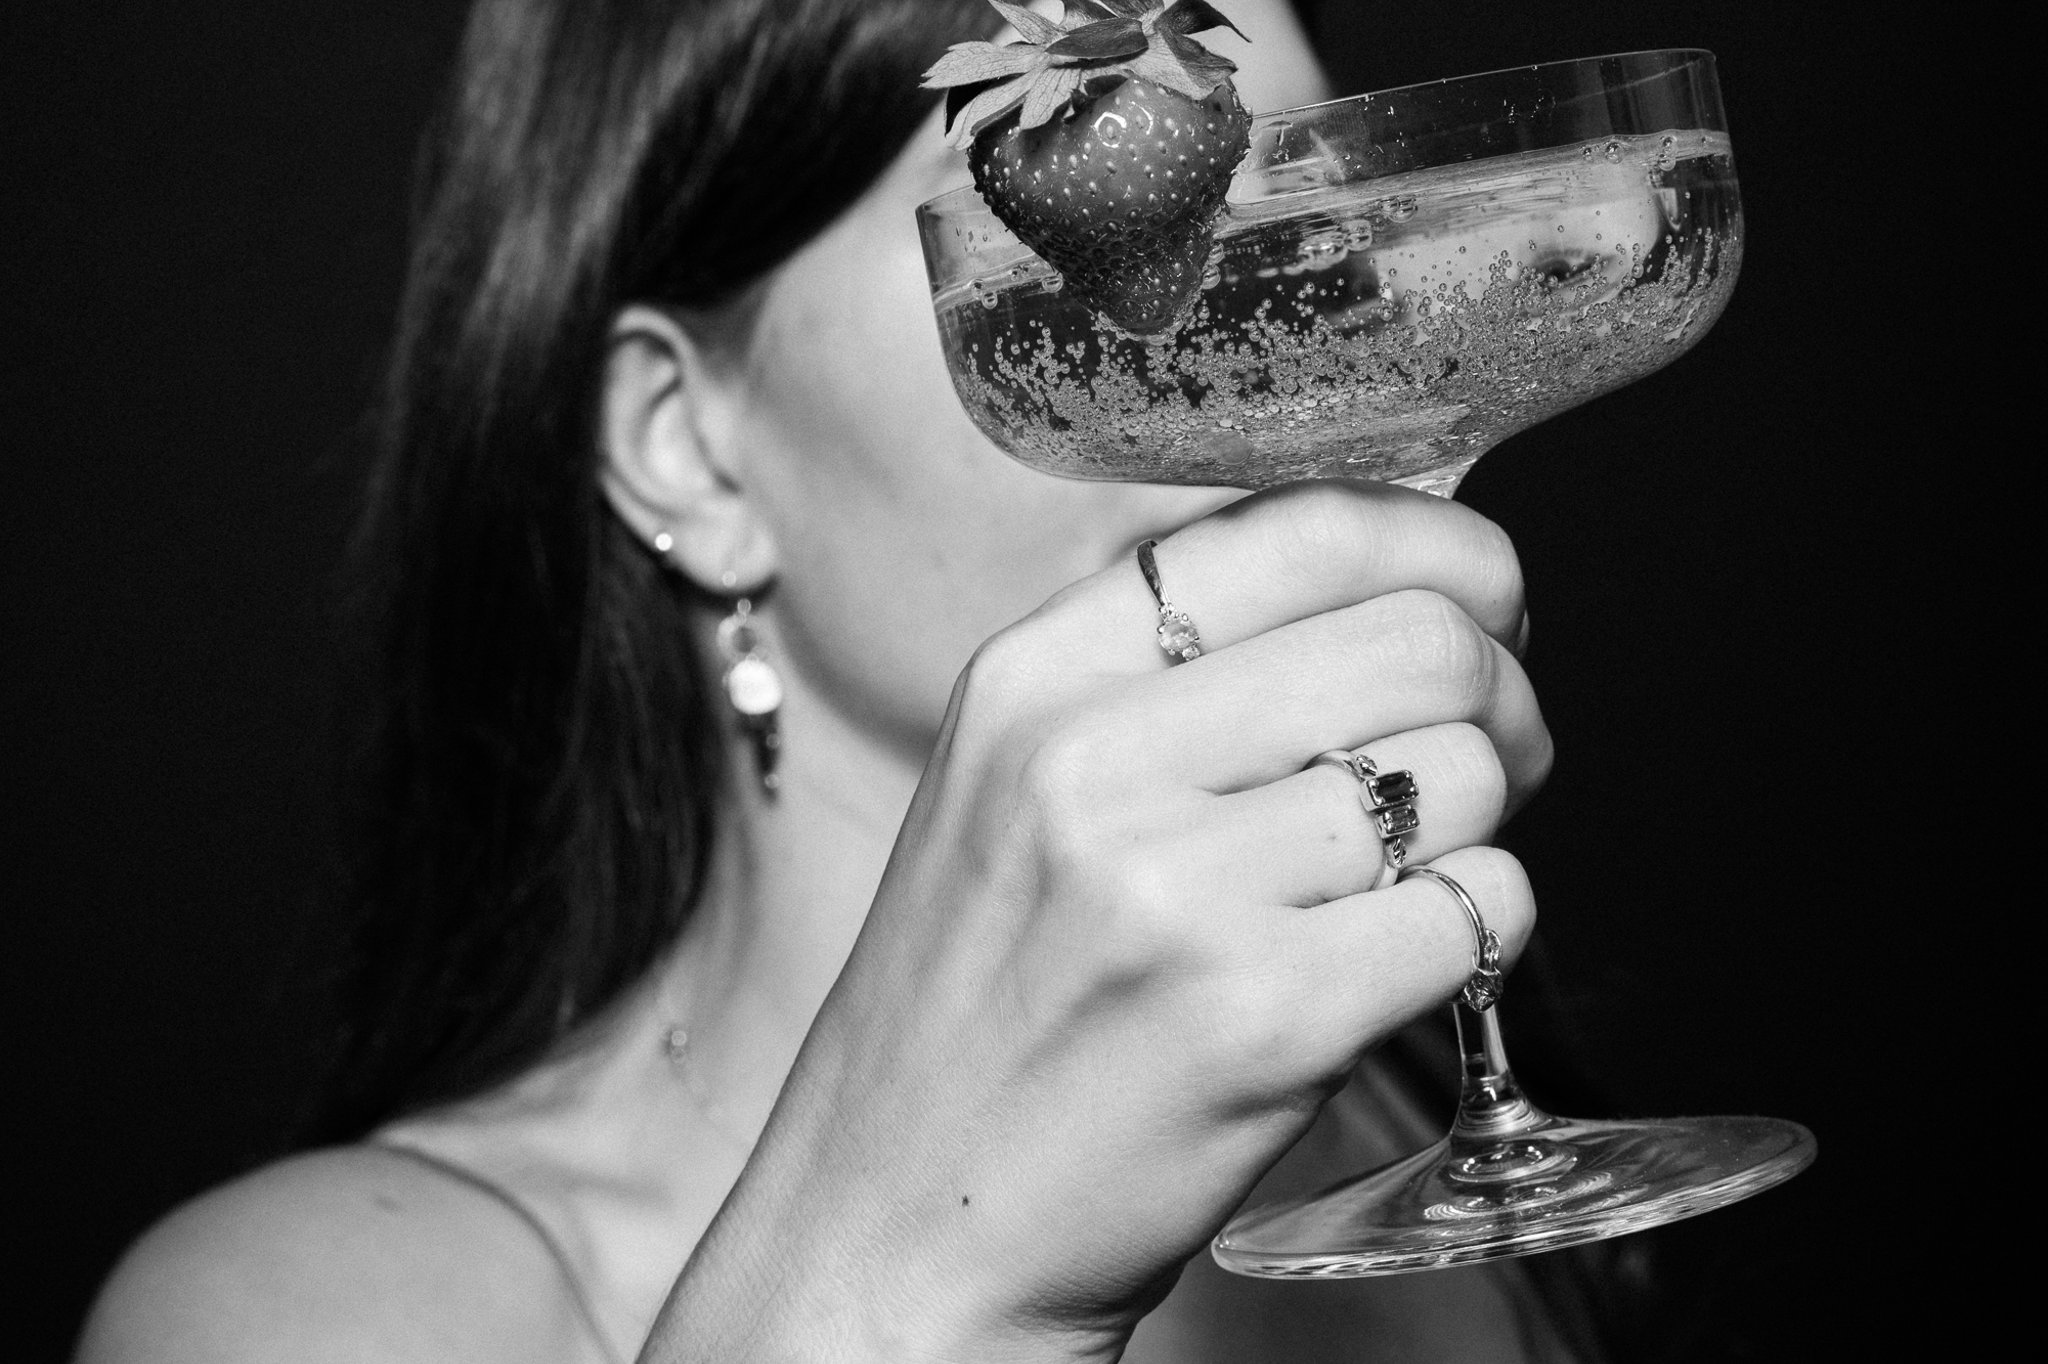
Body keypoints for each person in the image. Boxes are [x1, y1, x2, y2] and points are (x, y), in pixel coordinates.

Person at [75, 1, 1590, 1359]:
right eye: (1097, 183)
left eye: (1305, 191)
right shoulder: (307, 1316)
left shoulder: (1405, 1152)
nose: (1285, 309)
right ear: (688, 448)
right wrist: (903, 1283)